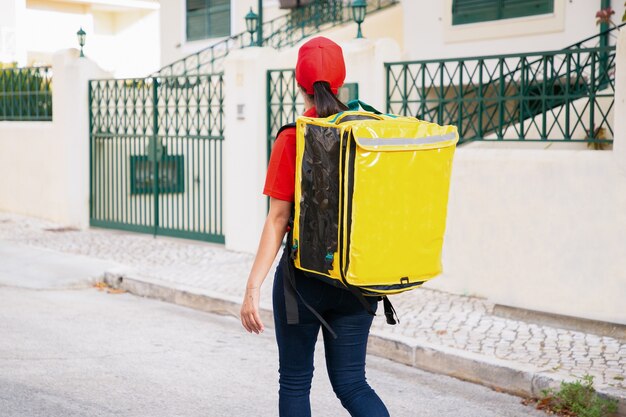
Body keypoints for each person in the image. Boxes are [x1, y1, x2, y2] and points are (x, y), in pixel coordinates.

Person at [240, 36, 390, 417]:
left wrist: (252, 287)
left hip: (302, 282)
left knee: (295, 381)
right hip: (358, 280)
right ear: (341, 82)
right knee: (353, 383)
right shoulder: (369, 132)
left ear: (298, 83)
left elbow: (277, 219)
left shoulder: (294, 137)